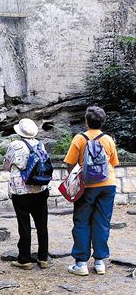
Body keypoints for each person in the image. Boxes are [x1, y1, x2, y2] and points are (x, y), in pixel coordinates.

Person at [64, 106, 119, 276]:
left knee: (81, 222)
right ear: (103, 122)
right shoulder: (108, 140)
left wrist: (75, 178)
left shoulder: (79, 139)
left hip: (86, 186)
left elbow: (69, 163)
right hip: (108, 184)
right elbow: (113, 162)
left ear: (86, 121)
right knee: (102, 222)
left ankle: (81, 263)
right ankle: (100, 262)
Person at [3, 118, 50, 270]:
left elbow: (6, 166)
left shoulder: (15, 145)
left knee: (24, 225)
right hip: (40, 189)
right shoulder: (41, 145)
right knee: (42, 224)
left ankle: (25, 259)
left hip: (20, 191)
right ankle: (43, 258)